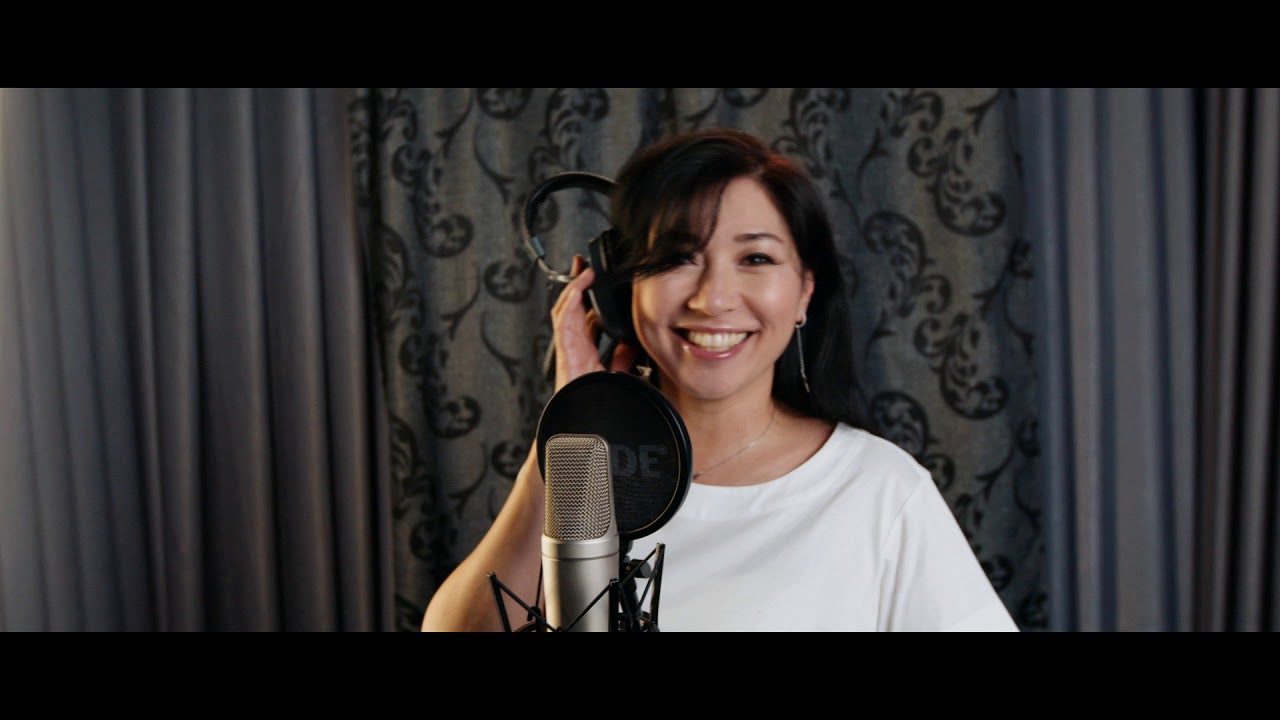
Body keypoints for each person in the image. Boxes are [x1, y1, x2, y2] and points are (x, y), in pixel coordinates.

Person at [421, 128, 1019, 631]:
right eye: (678, 257)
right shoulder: (584, 477)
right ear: (622, 292)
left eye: (755, 258)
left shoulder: (878, 490)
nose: (712, 300)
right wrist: (570, 424)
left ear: (804, 292)